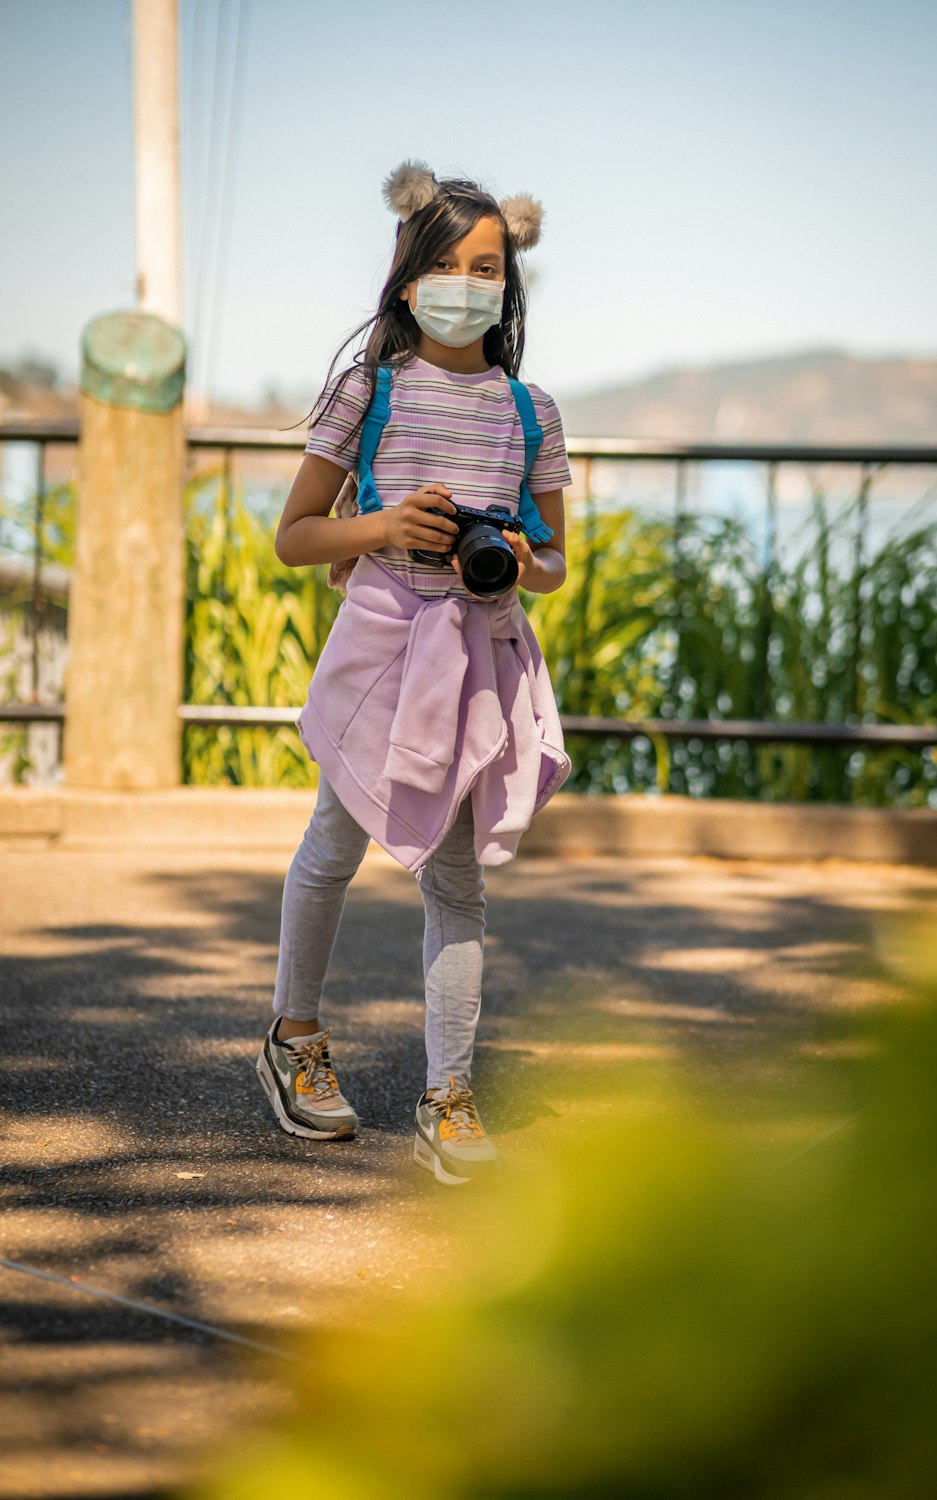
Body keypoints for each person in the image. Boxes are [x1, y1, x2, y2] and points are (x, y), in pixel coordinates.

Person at [254, 159, 574, 1186]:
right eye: (445, 263)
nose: (466, 284)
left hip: (479, 653)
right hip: (383, 644)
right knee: (332, 844)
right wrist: (388, 524)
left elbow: (558, 563)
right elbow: (296, 537)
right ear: (405, 276)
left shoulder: (530, 411)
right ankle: (292, 1037)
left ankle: (449, 1089)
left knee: (458, 877)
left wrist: (524, 560)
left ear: (507, 282)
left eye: (487, 267)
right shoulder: (368, 391)